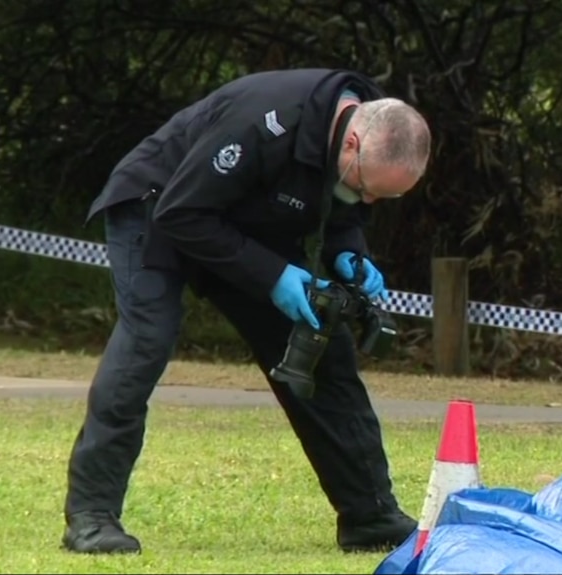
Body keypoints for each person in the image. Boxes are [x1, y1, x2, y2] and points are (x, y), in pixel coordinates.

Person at [61, 68, 432, 555]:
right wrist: (273, 275)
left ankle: (370, 515)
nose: (367, 201)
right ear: (352, 142)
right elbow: (182, 212)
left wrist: (348, 248)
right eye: (367, 189)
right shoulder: (262, 121)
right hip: (158, 208)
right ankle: (91, 517)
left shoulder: (364, 137)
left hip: (242, 225)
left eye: (381, 198)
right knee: (146, 341)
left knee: (322, 348)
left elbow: (342, 210)